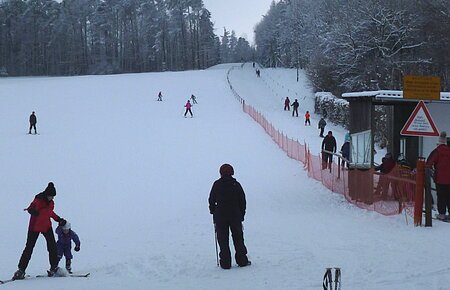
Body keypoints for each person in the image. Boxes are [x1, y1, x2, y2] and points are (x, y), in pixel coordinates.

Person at [13, 182, 67, 280]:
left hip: (46, 226)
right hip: (35, 227)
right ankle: (21, 270)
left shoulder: (51, 203)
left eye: (53, 196)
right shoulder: (38, 199)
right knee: (29, 248)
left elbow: (50, 213)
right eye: (51, 196)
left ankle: (54, 267)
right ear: (47, 194)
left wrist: (59, 219)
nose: (52, 198)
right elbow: (30, 208)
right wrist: (32, 211)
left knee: (52, 247)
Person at [208, 164, 251, 269]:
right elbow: (242, 201)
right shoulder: (236, 185)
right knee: (238, 238)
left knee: (223, 239)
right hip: (235, 216)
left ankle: (225, 263)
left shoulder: (217, 185)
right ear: (232, 172)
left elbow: (211, 200)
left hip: (220, 217)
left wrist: (213, 211)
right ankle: (242, 261)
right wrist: (241, 215)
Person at [426, 131, 450, 220]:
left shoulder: (437, 151)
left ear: (438, 143)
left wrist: (432, 173)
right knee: (449, 196)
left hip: (440, 179)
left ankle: (442, 214)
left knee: (441, 197)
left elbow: (428, 163)